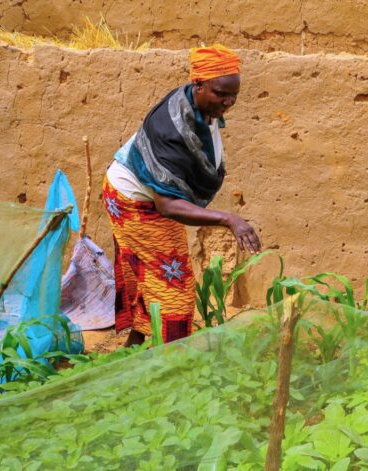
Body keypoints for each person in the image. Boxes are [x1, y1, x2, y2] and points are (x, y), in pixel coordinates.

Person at [103, 44, 261, 345]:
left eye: (233, 95)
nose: (228, 102)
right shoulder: (171, 131)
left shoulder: (199, 104)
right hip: (134, 202)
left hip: (151, 195)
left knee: (157, 274)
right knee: (175, 287)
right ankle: (170, 365)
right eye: (220, 94)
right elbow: (167, 205)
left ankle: (134, 348)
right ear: (198, 84)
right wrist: (228, 219)